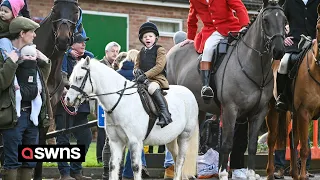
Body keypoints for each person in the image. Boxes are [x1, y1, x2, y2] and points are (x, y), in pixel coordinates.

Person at [0, 16, 51, 180]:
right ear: (22, 33)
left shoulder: (31, 55)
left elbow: (40, 84)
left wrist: (45, 63)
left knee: (29, 161)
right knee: (12, 161)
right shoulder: (3, 55)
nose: (35, 35)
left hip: (32, 117)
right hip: (14, 117)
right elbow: (2, 83)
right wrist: (11, 62)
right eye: (32, 32)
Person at [180, 0, 249, 102]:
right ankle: (206, 85)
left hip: (231, 27)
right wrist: (190, 37)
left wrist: (244, 26)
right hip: (211, 31)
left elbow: (239, 7)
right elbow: (192, 19)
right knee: (207, 50)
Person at [56, 32, 93, 180]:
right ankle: (64, 173)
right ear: (71, 44)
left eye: (84, 42)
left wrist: (79, 55)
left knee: (86, 138)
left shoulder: (85, 58)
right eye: (80, 42)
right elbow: (59, 76)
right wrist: (67, 54)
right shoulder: (62, 57)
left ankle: (75, 171)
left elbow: (91, 56)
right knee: (63, 140)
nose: (83, 44)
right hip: (64, 105)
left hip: (81, 107)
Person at [275, 0, 319, 112]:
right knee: (284, 63)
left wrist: (317, 39)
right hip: (295, 43)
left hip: (315, 43)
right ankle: (282, 97)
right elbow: (280, 20)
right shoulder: (290, 2)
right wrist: (284, 36)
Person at [117, 49, 150, 179]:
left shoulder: (118, 73)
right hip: (134, 113)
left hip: (117, 114)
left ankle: (124, 172)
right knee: (136, 141)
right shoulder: (139, 75)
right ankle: (135, 169)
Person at [134, 21, 172, 128]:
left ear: (155, 38)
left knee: (152, 88)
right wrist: (136, 72)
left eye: (150, 36)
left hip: (156, 79)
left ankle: (165, 114)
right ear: (142, 39)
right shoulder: (140, 52)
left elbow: (159, 67)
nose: (147, 38)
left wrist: (145, 75)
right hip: (142, 80)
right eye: (145, 37)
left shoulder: (160, 50)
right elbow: (136, 66)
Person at [96, 41, 121, 164]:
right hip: (102, 101)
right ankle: (100, 158)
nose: (115, 54)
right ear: (106, 52)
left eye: (117, 51)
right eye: (113, 51)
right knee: (102, 128)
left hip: (114, 103)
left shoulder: (118, 66)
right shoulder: (101, 65)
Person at [14, 44, 43, 126]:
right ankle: (17, 111)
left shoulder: (35, 67)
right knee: (17, 97)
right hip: (21, 88)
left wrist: (39, 88)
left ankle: (34, 115)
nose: (30, 57)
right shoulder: (18, 66)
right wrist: (15, 85)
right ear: (21, 56)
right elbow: (14, 75)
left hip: (33, 89)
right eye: (27, 55)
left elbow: (38, 78)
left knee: (38, 102)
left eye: (32, 55)